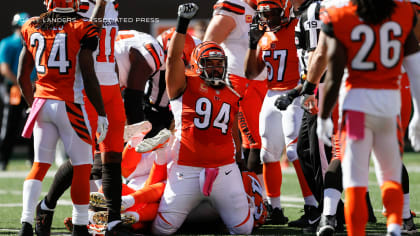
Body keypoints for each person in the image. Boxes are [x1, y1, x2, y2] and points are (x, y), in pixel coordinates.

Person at [317, 0, 420, 235]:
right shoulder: (404, 12)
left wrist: (324, 116)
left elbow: (333, 76)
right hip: (388, 108)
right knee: (390, 172)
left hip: (355, 109)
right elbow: (416, 70)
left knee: (355, 180)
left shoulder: (340, 17)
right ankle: (395, 226)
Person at [151, 3, 253, 235]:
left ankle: (214, 214)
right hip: (186, 169)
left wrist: (239, 157)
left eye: (220, 64)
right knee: (162, 230)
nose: (216, 69)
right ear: (197, 65)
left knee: (244, 230)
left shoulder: (231, 93)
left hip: (225, 170)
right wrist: (182, 22)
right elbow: (173, 58)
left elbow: (233, 129)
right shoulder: (184, 84)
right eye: (210, 64)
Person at [33, 0, 131, 235]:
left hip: (110, 85)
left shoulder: (111, 5)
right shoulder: (78, 5)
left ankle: (113, 221)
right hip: (87, 87)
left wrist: (117, 84)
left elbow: (109, 47)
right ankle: (47, 205)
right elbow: (90, 33)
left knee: (112, 157)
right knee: (84, 156)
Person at [17, 0, 108, 235]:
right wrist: (101, 112)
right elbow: (88, 75)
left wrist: (31, 104)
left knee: (39, 166)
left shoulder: (31, 25)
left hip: (41, 103)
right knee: (82, 165)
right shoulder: (82, 26)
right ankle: (79, 226)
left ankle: (26, 223)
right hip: (69, 105)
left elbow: (21, 76)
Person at [244, 0, 317, 226]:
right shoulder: (264, 35)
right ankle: (274, 208)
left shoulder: (297, 27)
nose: (265, 18)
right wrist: (251, 44)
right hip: (271, 95)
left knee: (295, 152)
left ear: (284, 11)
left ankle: (312, 205)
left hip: (294, 93)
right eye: (262, 13)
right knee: (267, 155)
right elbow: (251, 72)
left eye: (270, 13)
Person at [203, 0, 269, 209]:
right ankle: (254, 199)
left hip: (262, 81)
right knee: (252, 143)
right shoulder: (235, 6)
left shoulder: (266, 7)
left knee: (263, 143)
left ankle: (257, 198)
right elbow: (208, 46)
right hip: (238, 81)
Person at [0, 12, 35, 170]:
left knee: (34, 123)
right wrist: (22, 84)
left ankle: (33, 158)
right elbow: (4, 69)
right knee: (11, 123)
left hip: (33, 87)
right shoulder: (8, 43)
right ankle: (3, 159)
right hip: (14, 88)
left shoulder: (34, 42)